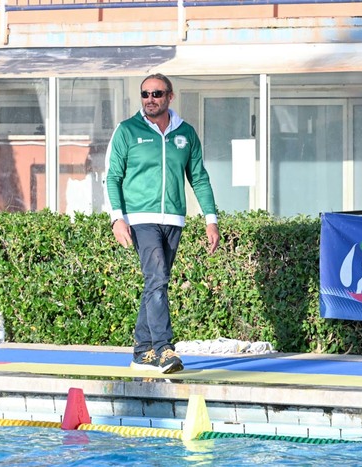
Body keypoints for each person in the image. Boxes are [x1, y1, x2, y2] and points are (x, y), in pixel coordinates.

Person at [104, 73, 220, 374]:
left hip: (174, 219)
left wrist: (211, 220)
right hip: (140, 219)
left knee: (156, 281)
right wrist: (117, 218)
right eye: (145, 94)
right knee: (157, 278)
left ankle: (142, 352)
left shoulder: (186, 134)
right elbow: (113, 176)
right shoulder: (127, 130)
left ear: (170, 96)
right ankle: (164, 348)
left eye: (156, 94)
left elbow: (199, 178)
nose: (150, 100)